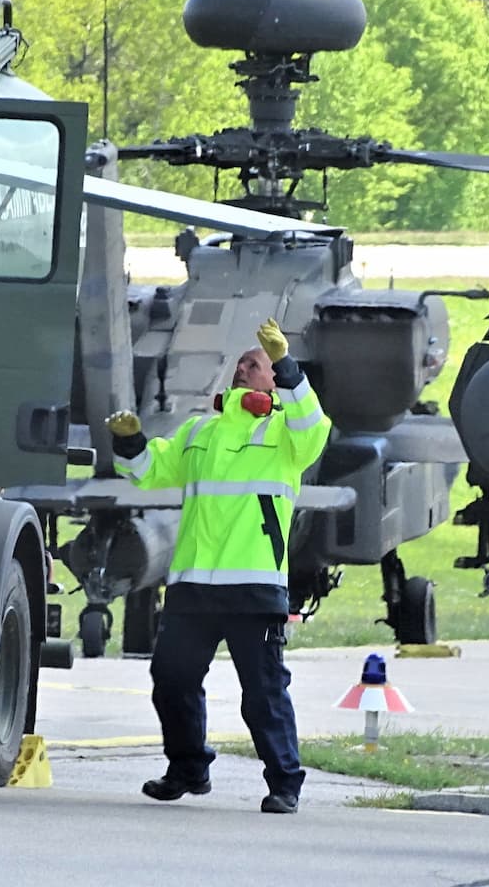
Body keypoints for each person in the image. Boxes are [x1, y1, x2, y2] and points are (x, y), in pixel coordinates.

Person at [105, 318, 331, 814]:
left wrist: (287, 364)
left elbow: (313, 426)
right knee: (172, 681)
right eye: (241, 363)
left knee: (263, 694)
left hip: (254, 586)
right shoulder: (199, 431)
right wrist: (130, 442)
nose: (243, 368)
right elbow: (147, 472)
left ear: (273, 380)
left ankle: (285, 783)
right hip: (192, 587)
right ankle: (188, 770)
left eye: (255, 364)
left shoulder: (286, 434)